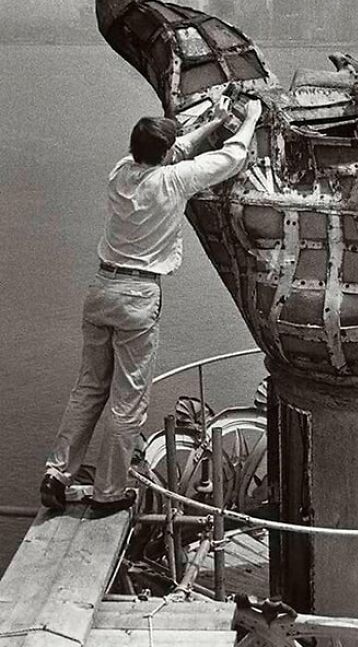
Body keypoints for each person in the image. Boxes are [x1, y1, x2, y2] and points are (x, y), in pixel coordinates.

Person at [40, 94, 263, 514]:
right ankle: (109, 491)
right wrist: (249, 118)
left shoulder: (121, 173)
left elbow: (174, 151)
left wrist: (213, 123)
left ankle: (57, 474)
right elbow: (232, 158)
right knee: (127, 401)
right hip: (137, 297)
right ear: (162, 153)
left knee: (88, 388)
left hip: (101, 288)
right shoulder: (173, 181)